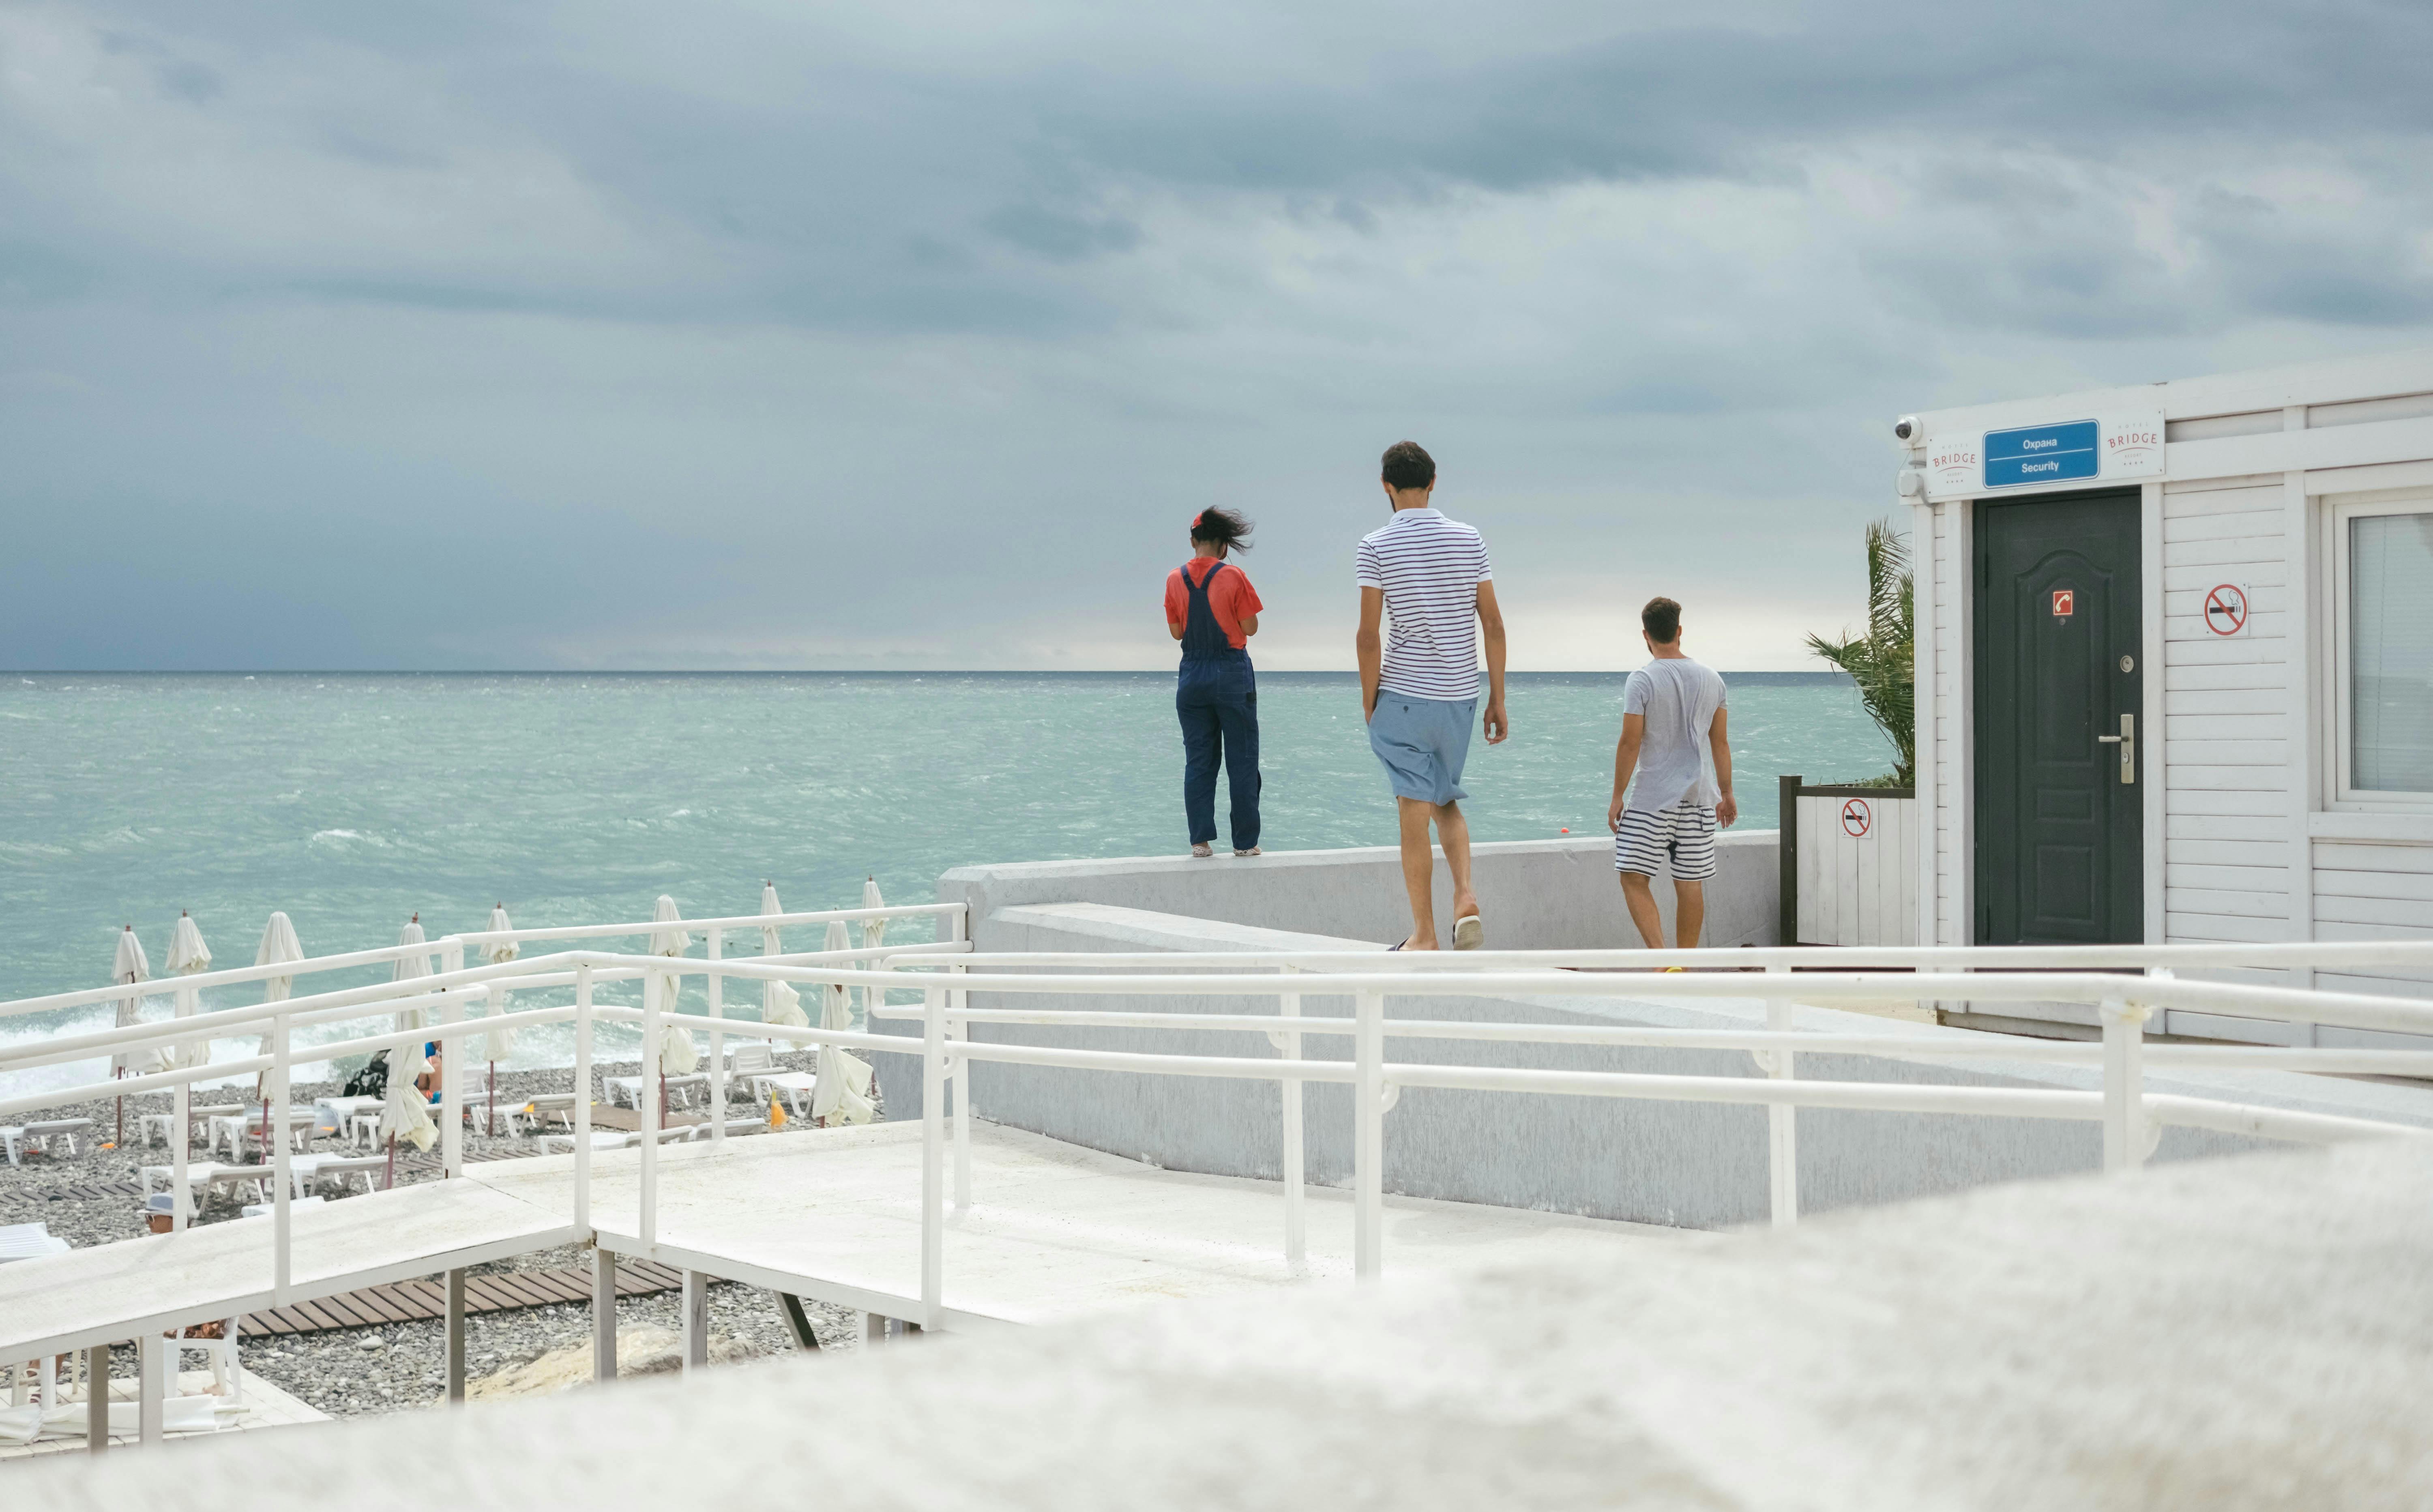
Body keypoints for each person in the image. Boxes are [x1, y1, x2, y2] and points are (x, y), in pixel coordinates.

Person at [1356, 441, 1506, 950]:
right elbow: (1493, 624)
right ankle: (1465, 895)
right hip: (1460, 697)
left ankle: (1424, 934)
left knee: (1412, 812)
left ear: (1387, 486)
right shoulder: (1469, 538)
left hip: (1404, 695)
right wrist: (1497, 698)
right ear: (1434, 481)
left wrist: (1370, 698)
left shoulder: (1376, 545)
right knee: (1445, 800)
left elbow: (1369, 636)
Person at [1606, 596, 1736, 951]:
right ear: (1679, 631)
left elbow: (1630, 742)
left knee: (1633, 877)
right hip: (1700, 797)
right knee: (1690, 883)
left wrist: (1617, 796)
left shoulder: (1642, 680)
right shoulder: (1713, 679)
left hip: (1653, 797)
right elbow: (1720, 743)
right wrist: (1727, 793)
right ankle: (1685, 967)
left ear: (1645, 635)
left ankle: (1663, 960)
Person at [1165, 507, 1264, 858]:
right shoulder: (1234, 575)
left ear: (1193, 540)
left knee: (1199, 761)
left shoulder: (1174, 579)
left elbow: (1177, 631)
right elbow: (1251, 627)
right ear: (1224, 545)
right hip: (1231, 673)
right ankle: (1245, 843)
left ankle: (1200, 842)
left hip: (1192, 675)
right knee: (1242, 759)